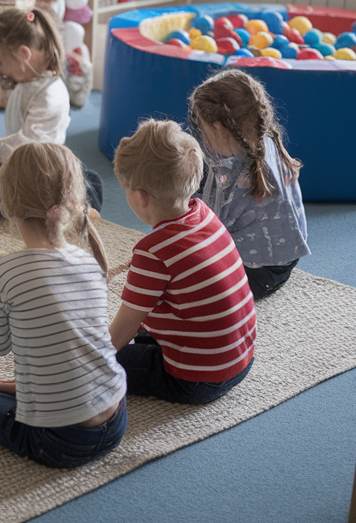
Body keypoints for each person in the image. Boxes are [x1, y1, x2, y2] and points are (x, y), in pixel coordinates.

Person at [0, 142, 126, 468]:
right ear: (75, 199)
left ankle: (25, 412)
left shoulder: (0, 272)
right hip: (116, 420)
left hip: (61, 443)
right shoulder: (89, 262)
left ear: (6, 204)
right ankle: (28, 392)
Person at [109, 119, 256, 404]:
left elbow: (124, 327)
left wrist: (88, 362)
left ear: (140, 196)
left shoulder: (153, 252)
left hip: (196, 379)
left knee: (99, 361)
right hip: (241, 360)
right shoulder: (204, 214)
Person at [0, 8, 103, 215]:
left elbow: (32, 147)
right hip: (23, 166)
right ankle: (45, 206)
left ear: (23, 54)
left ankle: (46, 211)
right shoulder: (28, 81)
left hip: (40, 171)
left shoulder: (50, 95)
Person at [189, 68, 309, 299]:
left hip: (254, 274)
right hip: (284, 262)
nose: (202, 136)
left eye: (204, 129)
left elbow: (207, 232)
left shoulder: (238, 176)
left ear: (218, 129)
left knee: (182, 280)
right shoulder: (268, 141)